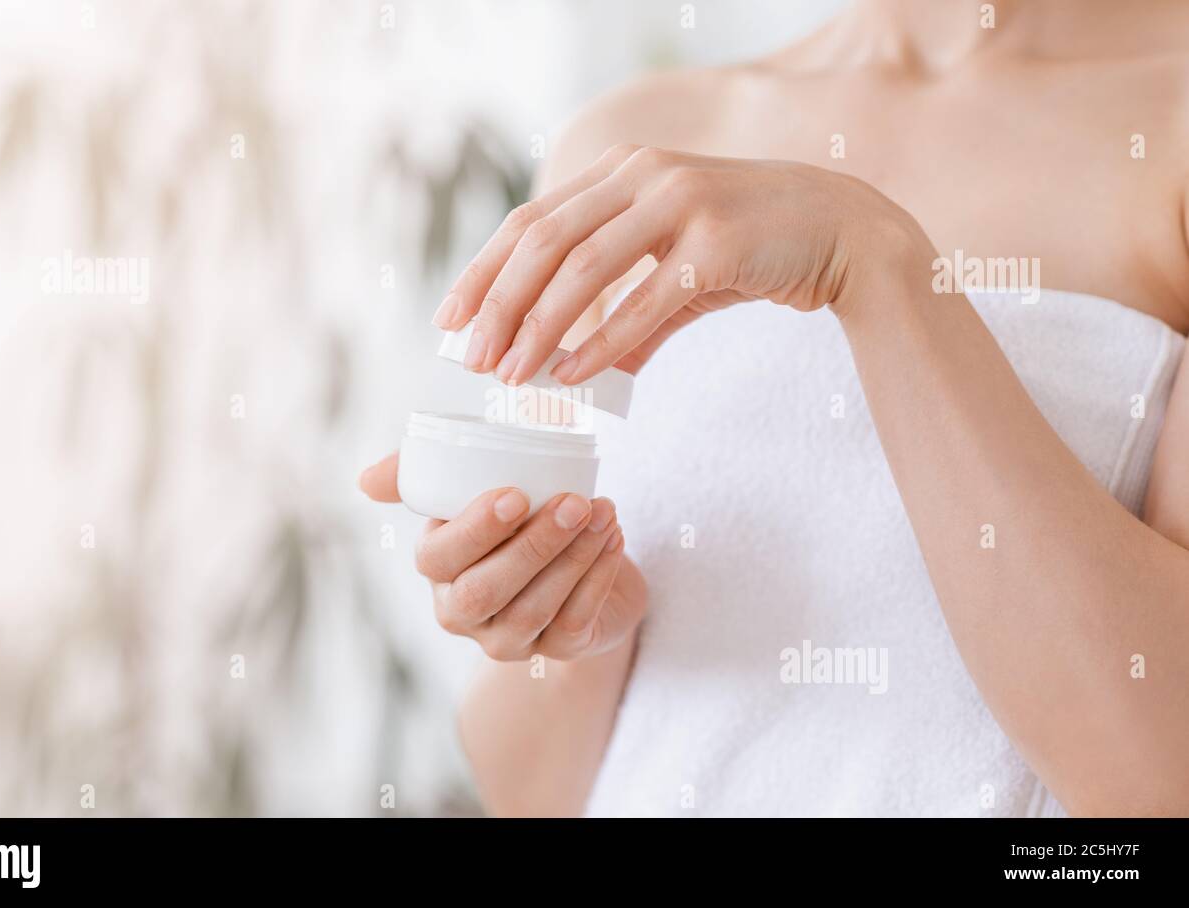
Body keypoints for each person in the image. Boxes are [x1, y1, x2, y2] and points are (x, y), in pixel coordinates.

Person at [359, 0, 1189, 816]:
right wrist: (569, 627)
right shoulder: (635, 148)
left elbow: (1161, 778)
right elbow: (533, 796)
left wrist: (873, 260)